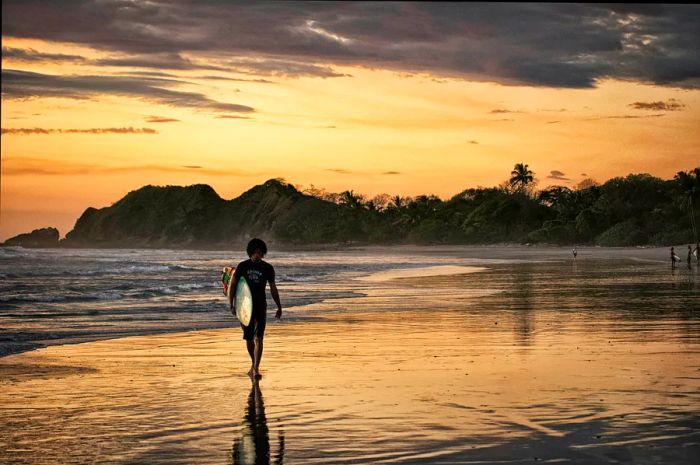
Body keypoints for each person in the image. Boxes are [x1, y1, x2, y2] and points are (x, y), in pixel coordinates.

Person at [229, 238, 282, 378]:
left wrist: (279, 306)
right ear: (250, 253)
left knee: (259, 337)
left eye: (260, 252)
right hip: (244, 307)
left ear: (263, 253)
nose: (257, 255)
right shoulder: (242, 266)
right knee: (249, 338)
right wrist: (232, 304)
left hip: (260, 306)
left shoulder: (268, 268)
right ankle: (253, 363)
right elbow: (233, 286)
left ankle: (256, 368)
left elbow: (273, 288)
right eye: (254, 252)